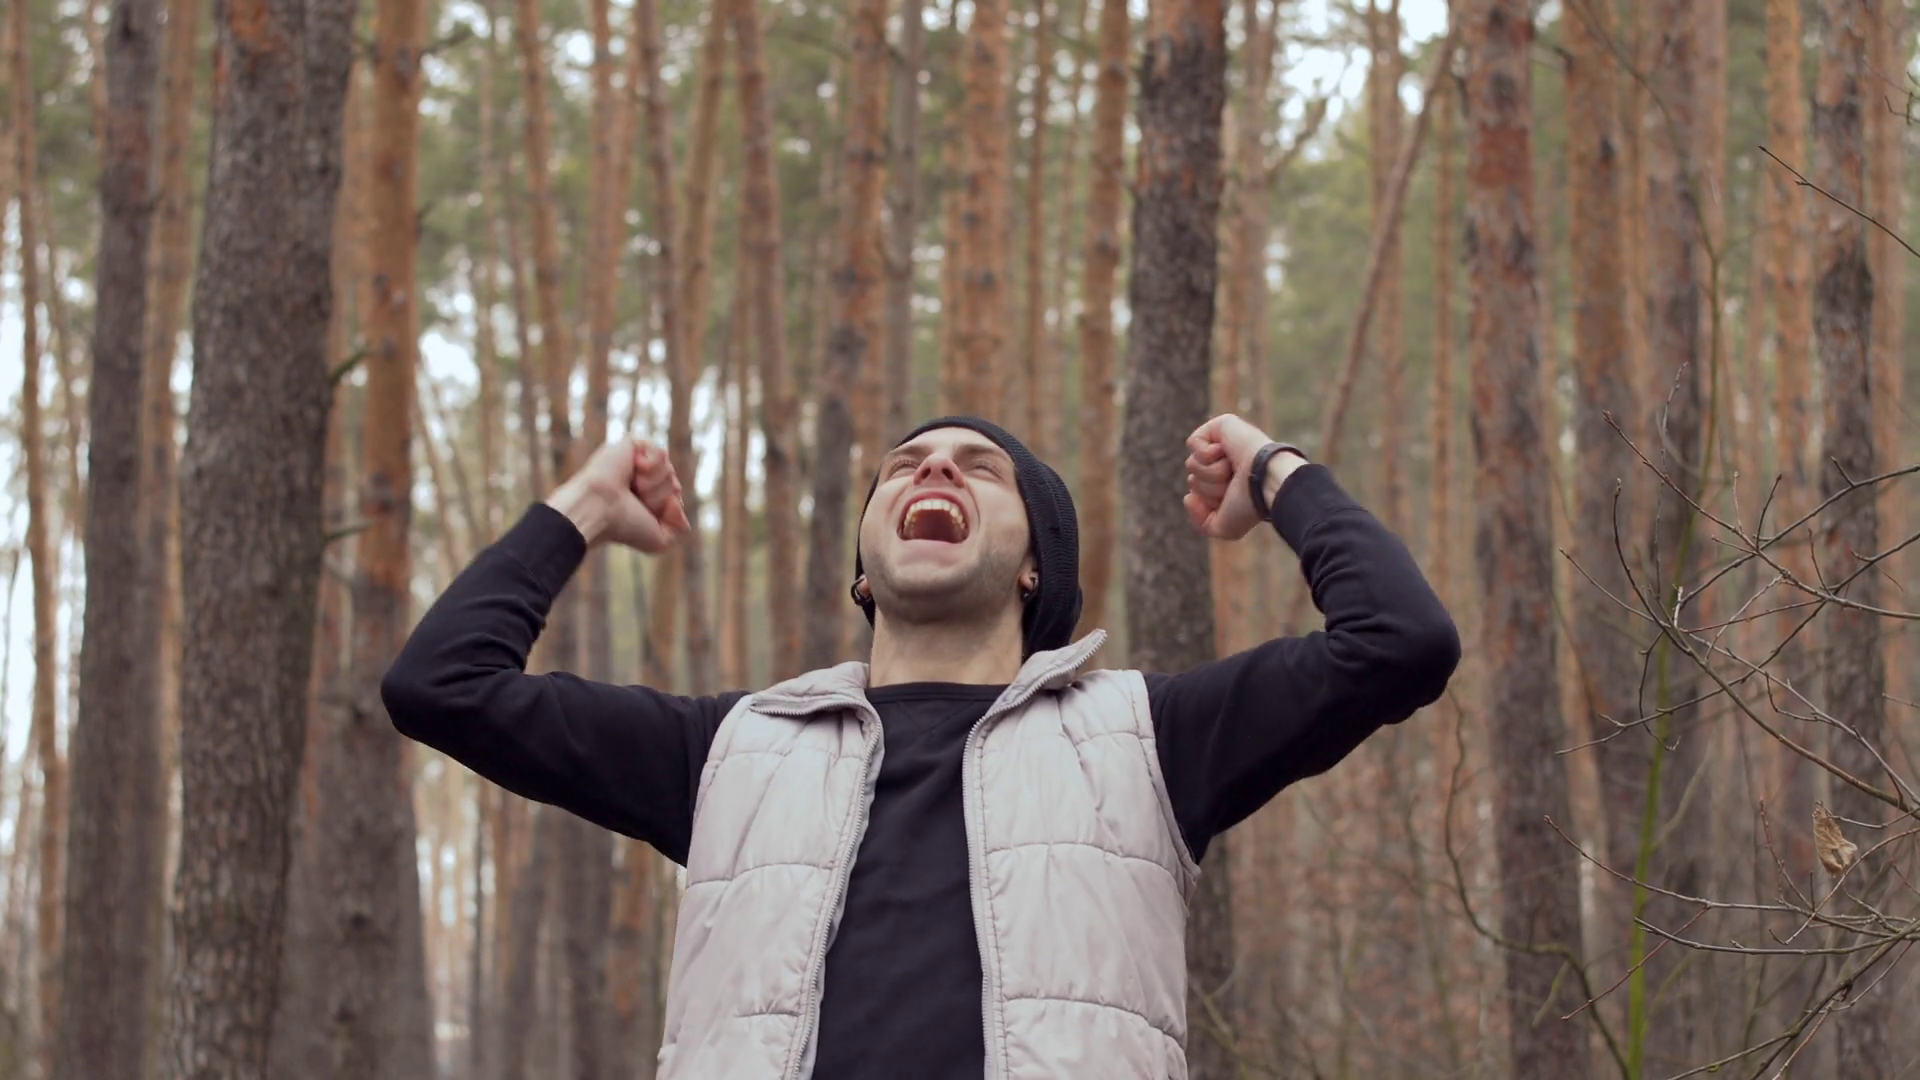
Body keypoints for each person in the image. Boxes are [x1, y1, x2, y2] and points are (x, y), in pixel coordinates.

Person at [384, 413, 1459, 1079]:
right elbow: (443, 685)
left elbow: (1399, 640)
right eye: (904, 466)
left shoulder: (1146, 737)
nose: (933, 471)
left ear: (1036, 565)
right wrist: (584, 506)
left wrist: (1274, 470)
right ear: (864, 569)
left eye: (979, 468)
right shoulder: (728, 753)